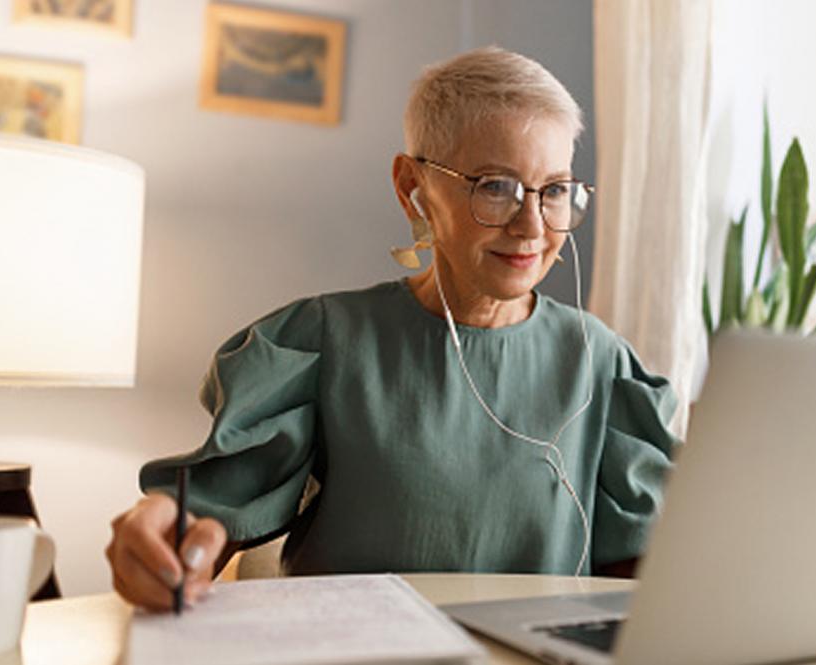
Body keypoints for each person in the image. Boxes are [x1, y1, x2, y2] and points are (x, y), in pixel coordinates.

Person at [105, 46, 679, 613]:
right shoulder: (324, 340)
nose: (532, 226)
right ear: (413, 186)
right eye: (496, 187)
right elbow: (209, 518)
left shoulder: (601, 362)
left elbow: (641, 571)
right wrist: (159, 531)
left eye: (554, 190)